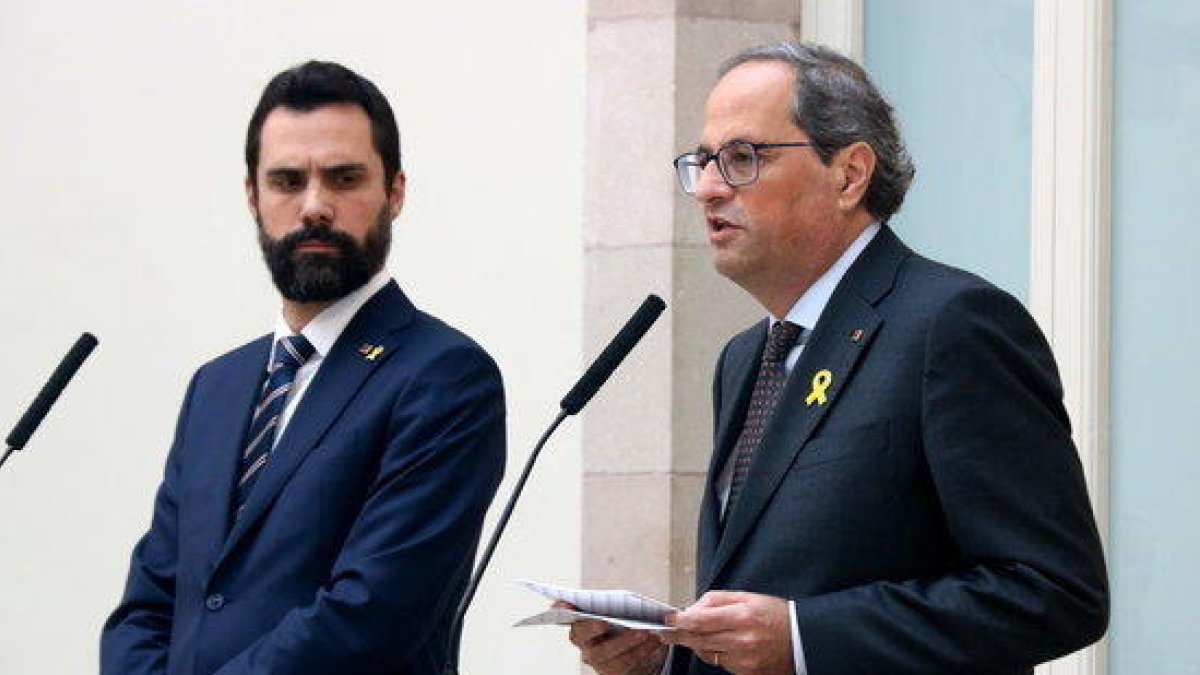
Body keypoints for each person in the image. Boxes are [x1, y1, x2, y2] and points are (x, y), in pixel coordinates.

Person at [567, 42, 1108, 675]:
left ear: (849, 174)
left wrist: (804, 636)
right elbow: (762, 601)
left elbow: (1054, 591)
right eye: (704, 162)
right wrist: (667, 659)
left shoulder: (953, 326)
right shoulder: (744, 360)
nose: (709, 189)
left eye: (742, 158)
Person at [101, 61, 506, 674]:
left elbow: (369, 615)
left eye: (344, 179)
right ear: (253, 197)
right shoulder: (218, 386)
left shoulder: (443, 377)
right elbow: (151, 605)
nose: (315, 206)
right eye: (288, 181)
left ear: (394, 192)